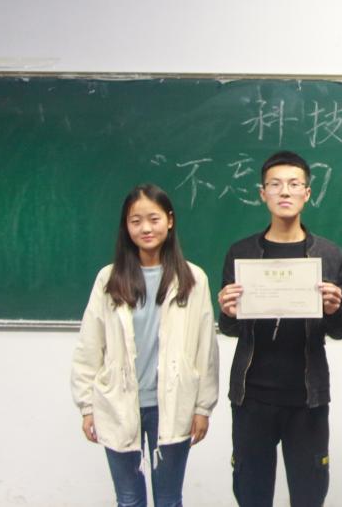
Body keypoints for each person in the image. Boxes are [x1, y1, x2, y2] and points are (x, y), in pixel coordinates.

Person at [71, 184, 219, 507]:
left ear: (170, 220)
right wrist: (87, 406)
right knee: (128, 500)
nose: (145, 228)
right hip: (119, 403)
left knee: (168, 500)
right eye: (135, 221)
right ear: (126, 226)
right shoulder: (108, 279)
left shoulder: (193, 279)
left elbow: (205, 349)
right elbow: (89, 345)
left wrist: (202, 408)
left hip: (174, 405)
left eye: (154, 219)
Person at [217, 151, 342, 507]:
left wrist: (333, 309)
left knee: (309, 495)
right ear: (263, 194)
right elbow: (229, 327)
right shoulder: (242, 252)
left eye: (294, 184)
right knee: (251, 495)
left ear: (307, 193)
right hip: (251, 396)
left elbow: (340, 329)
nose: (285, 192)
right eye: (275, 185)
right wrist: (227, 311)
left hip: (307, 398)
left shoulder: (329, 254)